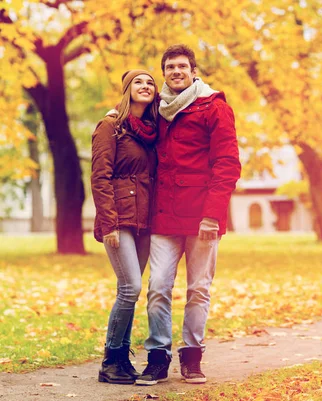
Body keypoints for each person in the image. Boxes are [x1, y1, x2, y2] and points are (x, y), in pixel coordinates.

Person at [135, 44, 241, 386]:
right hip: (164, 216)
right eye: (170, 67)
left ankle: (193, 358)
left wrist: (212, 215)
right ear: (164, 72)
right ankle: (157, 357)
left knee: (198, 289)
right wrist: (113, 116)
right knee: (157, 287)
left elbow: (227, 164)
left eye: (182, 66)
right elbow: (134, 123)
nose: (176, 71)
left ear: (194, 71)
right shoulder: (158, 109)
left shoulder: (215, 107)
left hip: (202, 218)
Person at [91, 69, 158, 385]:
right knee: (130, 286)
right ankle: (111, 360)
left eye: (150, 82)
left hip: (145, 220)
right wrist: (109, 224)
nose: (145, 86)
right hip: (119, 218)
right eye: (138, 82)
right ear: (127, 89)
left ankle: (122, 362)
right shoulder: (110, 127)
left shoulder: (153, 130)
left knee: (130, 290)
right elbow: (100, 177)